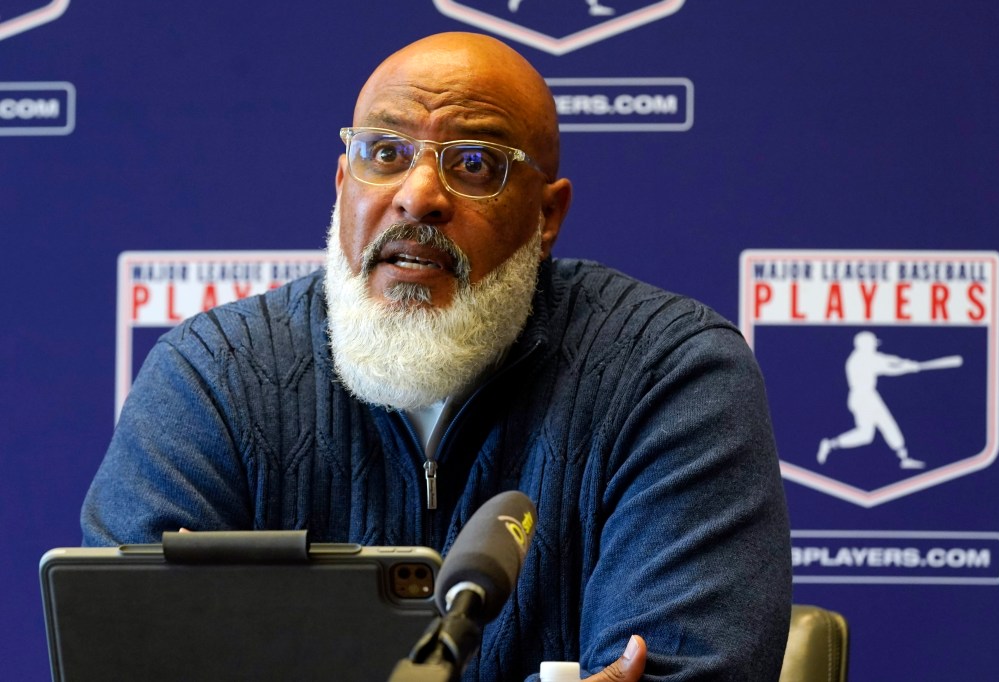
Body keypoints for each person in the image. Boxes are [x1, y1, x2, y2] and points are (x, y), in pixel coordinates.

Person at [81, 32, 792, 681]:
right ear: (342, 186)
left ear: (546, 218)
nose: (418, 197)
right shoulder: (214, 377)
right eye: (384, 154)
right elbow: (131, 661)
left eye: (475, 164)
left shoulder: (669, 374)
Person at [817, 330, 927, 469]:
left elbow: (888, 359)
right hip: (864, 398)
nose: (875, 346)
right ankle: (830, 444)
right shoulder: (861, 359)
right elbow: (888, 369)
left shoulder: (867, 356)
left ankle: (904, 458)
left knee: (878, 429)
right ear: (865, 344)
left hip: (867, 396)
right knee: (874, 431)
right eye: (872, 344)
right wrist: (909, 368)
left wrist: (907, 363)